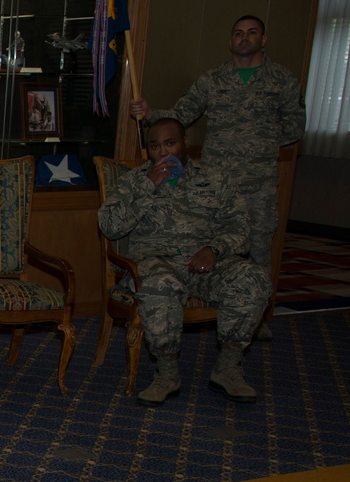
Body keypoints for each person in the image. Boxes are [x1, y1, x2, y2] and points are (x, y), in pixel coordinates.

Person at [130, 15, 305, 340]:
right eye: (238, 33)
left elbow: (294, 126)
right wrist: (150, 113)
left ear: (263, 40)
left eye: (252, 33)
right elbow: (181, 115)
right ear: (230, 41)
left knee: (257, 245)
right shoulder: (213, 79)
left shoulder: (282, 80)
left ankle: (256, 317)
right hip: (214, 184)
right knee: (208, 243)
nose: (244, 38)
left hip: (258, 183)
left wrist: (259, 145)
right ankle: (203, 306)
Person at [98, 118, 271, 406]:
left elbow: (239, 229)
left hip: (206, 262)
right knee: (160, 286)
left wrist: (214, 249)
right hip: (156, 261)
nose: (163, 152)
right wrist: (148, 186)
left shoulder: (216, 178)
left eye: (170, 143)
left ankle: (228, 367)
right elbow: (109, 226)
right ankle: (166, 372)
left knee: (252, 278)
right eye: (155, 146)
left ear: (185, 143)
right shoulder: (134, 181)